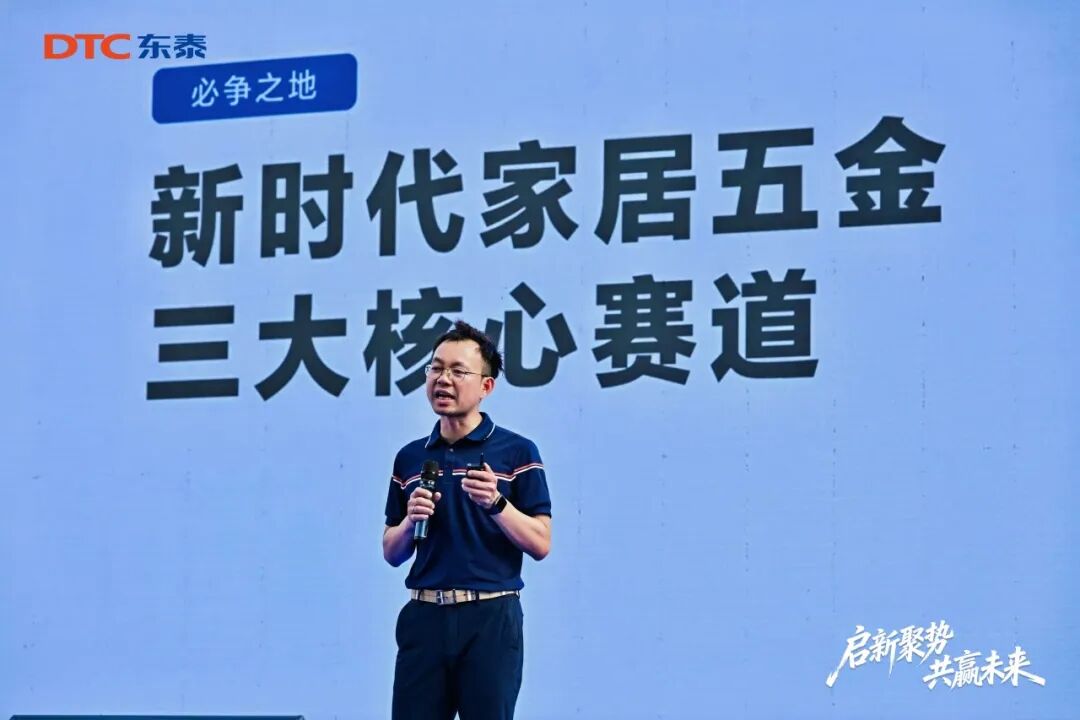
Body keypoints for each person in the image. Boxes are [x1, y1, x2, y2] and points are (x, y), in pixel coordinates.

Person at [382, 320, 552, 720]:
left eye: (458, 371)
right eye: (436, 368)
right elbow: (391, 552)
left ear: (486, 386)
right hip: (424, 616)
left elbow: (541, 542)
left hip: (490, 617)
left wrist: (496, 503)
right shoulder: (411, 457)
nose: (443, 380)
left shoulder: (517, 452)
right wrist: (409, 522)